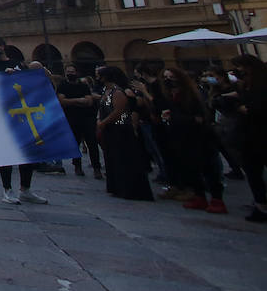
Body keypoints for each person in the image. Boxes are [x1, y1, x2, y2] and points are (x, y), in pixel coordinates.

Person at [0, 36, 48, 205]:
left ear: (2, 46)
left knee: (26, 152)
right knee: (7, 153)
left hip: (21, 112)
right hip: (1, 113)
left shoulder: (18, 63)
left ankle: (25, 189)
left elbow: (36, 80)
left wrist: (26, 72)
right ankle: (7, 189)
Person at [160, 66, 226, 213]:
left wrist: (175, 117)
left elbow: (199, 118)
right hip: (181, 136)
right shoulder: (172, 94)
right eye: (166, 77)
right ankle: (199, 196)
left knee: (208, 168)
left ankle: (217, 199)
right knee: (190, 168)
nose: (168, 80)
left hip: (199, 137)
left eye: (171, 77)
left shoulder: (191, 94)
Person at [95, 65, 154, 201]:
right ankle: (118, 187)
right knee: (114, 159)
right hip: (111, 129)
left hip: (120, 129)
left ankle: (130, 189)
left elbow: (119, 111)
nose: (98, 78)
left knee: (124, 159)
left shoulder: (118, 91)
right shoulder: (108, 90)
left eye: (100, 75)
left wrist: (103, 123)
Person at [228, 55, 267, 223]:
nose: (238, 71)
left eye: (240, 67)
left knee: (255, 171)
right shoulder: (246, 86)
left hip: (261, 133)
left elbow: (255, 107)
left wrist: (247, 108)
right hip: (248, 136)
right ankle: (260, 205)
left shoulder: (261, 86)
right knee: (253, 173)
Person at [56, 65, 102, 179]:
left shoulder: (83, 85)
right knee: (75, 143)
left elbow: (89, 101)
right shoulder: (63, 86)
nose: (70, 73)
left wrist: (70, 101)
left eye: (72, 71)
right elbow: (61, 101)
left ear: (77, 72)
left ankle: (97, 167)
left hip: (86, 118)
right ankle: (77, 165)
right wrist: (79, 100)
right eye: (68, 72)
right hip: (71, 118)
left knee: (92, 143)